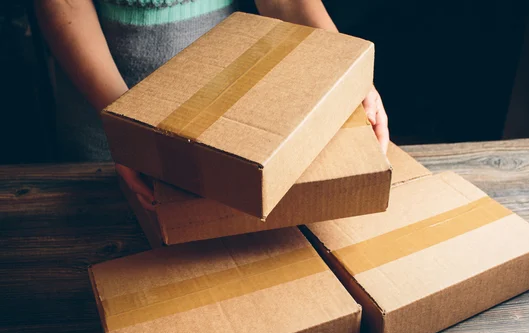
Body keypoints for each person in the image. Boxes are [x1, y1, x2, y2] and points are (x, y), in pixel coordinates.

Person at [35, 0, 389, 210]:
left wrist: (348, 68)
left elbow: (287, 1)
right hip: (104, 113)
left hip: (229, 119)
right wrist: (123, 128)